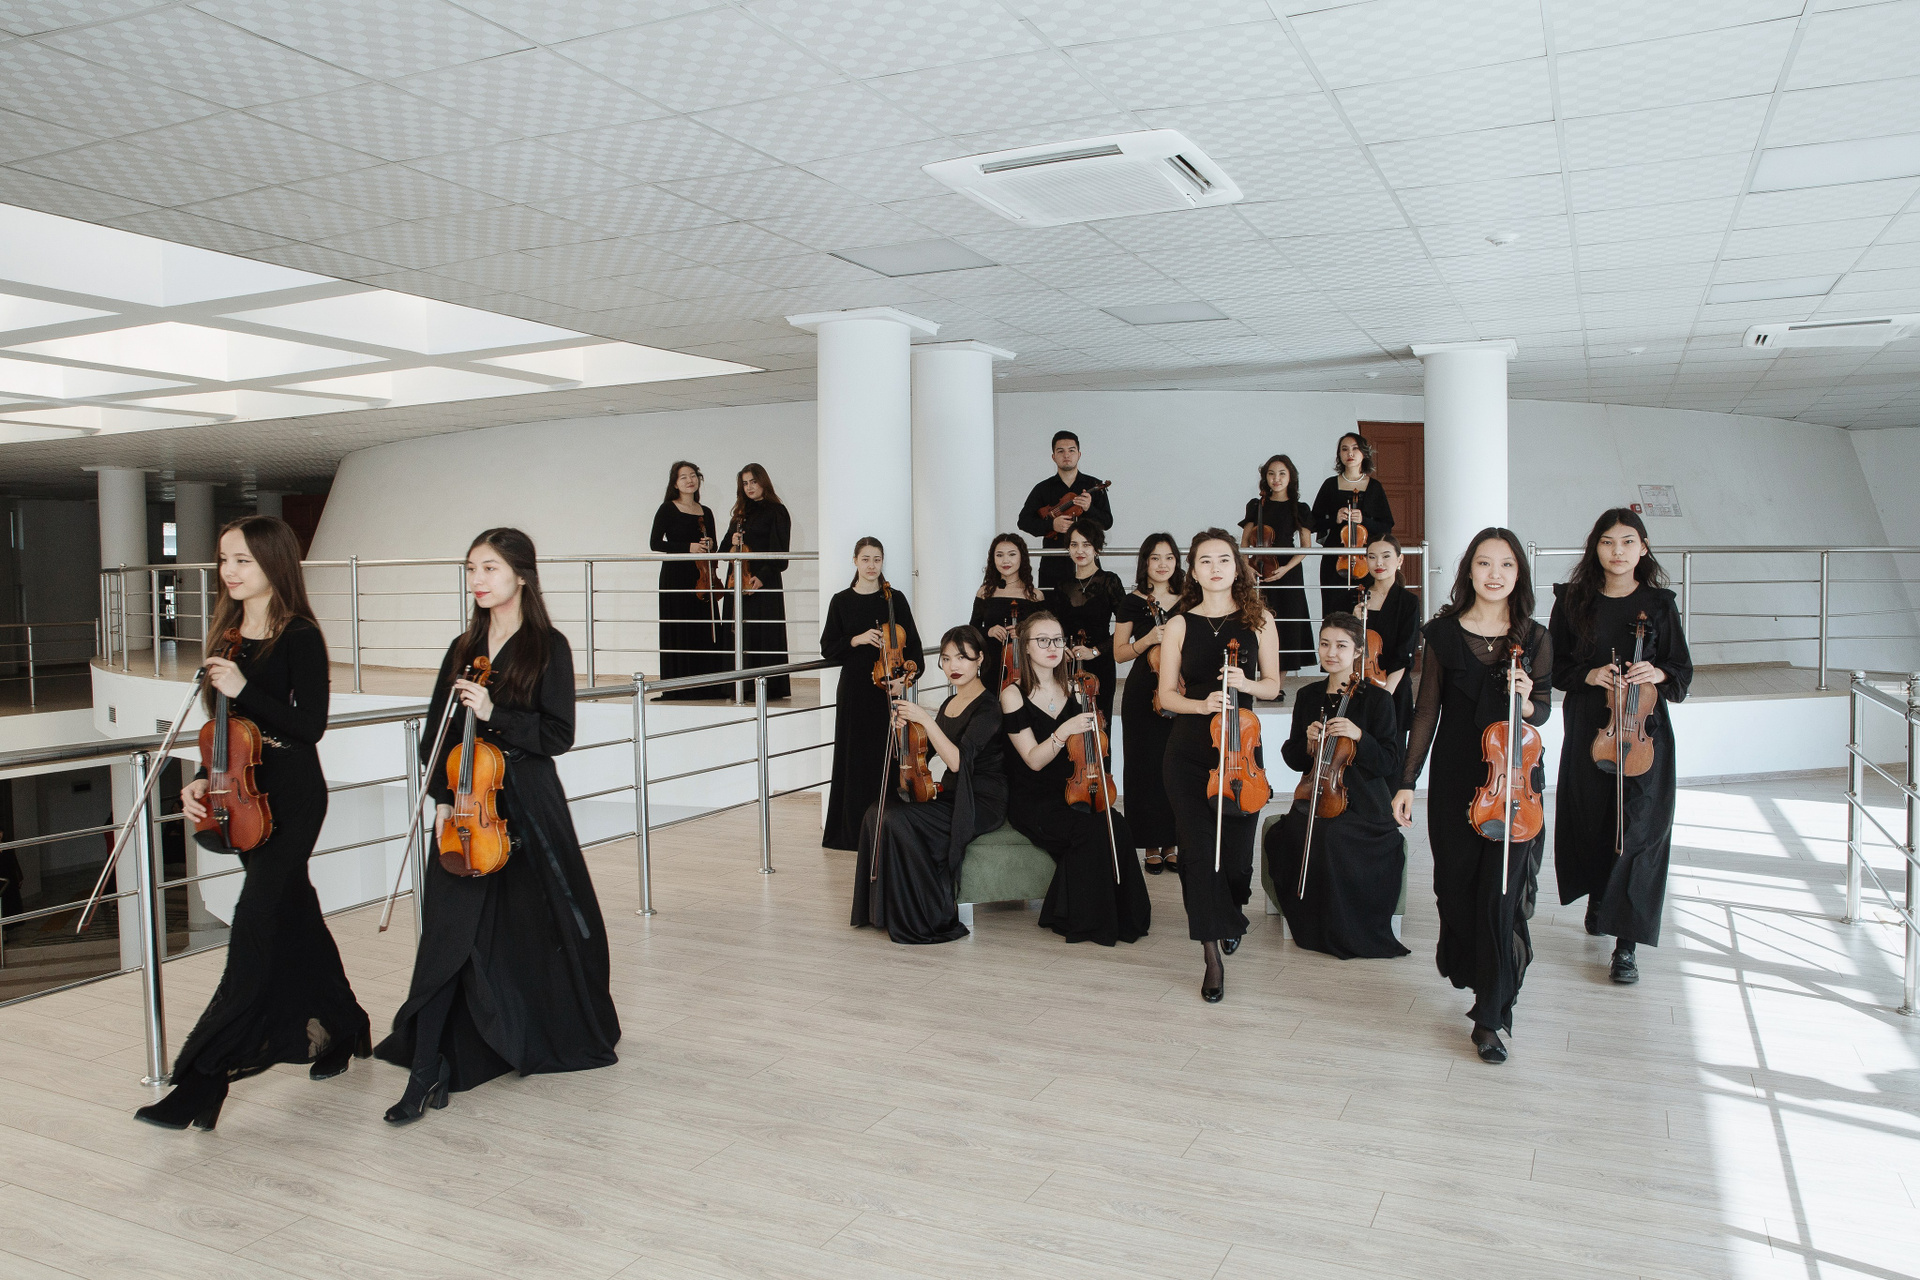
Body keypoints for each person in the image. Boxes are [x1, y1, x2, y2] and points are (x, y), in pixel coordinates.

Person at [375, 528, 620, 1122]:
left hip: (526, 806)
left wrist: (495, 713)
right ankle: (426, 1069)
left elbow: (557, 735)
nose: (478, 580)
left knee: (530, 930)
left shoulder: (548, 647)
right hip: (466, 809)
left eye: (489, 568)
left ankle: (517, 1031)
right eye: (471, 569)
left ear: (521, 575)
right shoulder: (463, 648)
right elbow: (435, 735)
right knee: (446, 935)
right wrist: (441, 798)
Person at [135, 516, 369, 1131]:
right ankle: (345, 1025)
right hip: (239, 799)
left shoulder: (300, 636)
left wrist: (243, 687)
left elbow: (309, 727)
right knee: (296, 917)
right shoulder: (228, 634)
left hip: (291, 800)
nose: (229, 571)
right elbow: (224, 728)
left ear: (273, 562)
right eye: (224, 559)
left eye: (242, 559)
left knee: (255, 926)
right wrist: (200, 778)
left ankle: (203, 1079)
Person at [1393, 529, 1551, 1065]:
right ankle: (1478, 979)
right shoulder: (1442, 634)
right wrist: (1407, 780)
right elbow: (1426, 712)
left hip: (1513, 784)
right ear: (1469, 572)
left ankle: (1490, 1015)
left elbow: (1542, 710)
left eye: (1506, 565)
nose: (1494, 574)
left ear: (1518, 574)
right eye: (1484, 563)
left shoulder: (1534, 638)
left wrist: (1526, 701)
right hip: (1456, 781)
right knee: (1456, 893)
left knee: (1499, 899)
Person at [1549, 508, 1693, 986]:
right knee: (1593, 823)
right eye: (1608, 542)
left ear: (1643, 548)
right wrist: (1590, 674)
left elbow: (1682, 673)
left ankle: (1626, 945)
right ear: (1596, 547)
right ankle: (1599, 899)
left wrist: (1659, 671)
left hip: (1644, 732)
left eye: (1628, 541)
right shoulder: (1573, 600)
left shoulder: (1659, 604)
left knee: (1640, 831)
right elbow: (1555, 669)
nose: (1618, 551)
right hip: (1591, 727)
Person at [1157, 530, 1282, 1002]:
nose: (1215, 568)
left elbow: (1273, 685)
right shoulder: (1179, 624)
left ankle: (1230, 911)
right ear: (1193, 570)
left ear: (1237, 566)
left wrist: (1245, 684)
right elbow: (1166, 696)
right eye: (1205, 560)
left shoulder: (1259, 620)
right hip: (1189, 751)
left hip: (1240, 750)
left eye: (1224, 559)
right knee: (1195, 853)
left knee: (1234, 857)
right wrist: (1200, 704)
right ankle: (1211, 957)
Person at [1266, 614, 1409, 961]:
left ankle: (1345, 929)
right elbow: (1294, 759)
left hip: (1365, 803)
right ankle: (1311, 923)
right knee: (1288, 835)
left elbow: (1389, 761)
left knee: (1333, 837)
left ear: (1358, 651)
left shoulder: (1378, 700)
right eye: (1325, 644)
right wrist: (1307, 742)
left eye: (1341, 645)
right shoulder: (1308, 696)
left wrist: (1360, 736)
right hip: (1317, 795)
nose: (1331, 653)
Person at [1001, 611, 1149, 946]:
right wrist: (1063, 730)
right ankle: (1082, 918)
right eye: (1042, 641)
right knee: (1089, 830)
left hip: (1077, 788)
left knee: (1117, 825)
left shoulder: (1076, 689)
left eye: (1057, 640)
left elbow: (1091, 749)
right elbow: (1033, 760)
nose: (1053, 647)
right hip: (1035, 798)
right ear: (1026, 647)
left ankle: (1124, 917)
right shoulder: (1013, 694)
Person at [852, 627, 1007, 944]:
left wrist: (925, 719)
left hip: (980, 801)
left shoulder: (989, 707)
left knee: (898, 820)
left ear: (980, 659)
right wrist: (902, 730)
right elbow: (924, 752)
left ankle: (924, 914)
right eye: (946, 658)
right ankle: (881, 912)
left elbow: (958, 762)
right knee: (876, 812)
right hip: (952, 794)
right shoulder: (951, 701)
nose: (953, 666)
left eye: (962, 657)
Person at [820, 538, 922, 851]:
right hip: (854, 691)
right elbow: (828, 647)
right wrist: (857, 639)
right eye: (865, 559)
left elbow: (914, 649)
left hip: (887, 691)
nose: (871, 565)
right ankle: (852, 834)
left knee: (886, 759)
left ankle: (886, 833)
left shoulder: (895, 599)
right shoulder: (841, 601)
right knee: (853, 759)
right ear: (855, 561)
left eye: (877, 559)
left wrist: (904, 681)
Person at [1113, 533, 1185, 874]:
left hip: (1182, 690)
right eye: (1155, 558)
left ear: (1177, 562)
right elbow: (1119, 653)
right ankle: (1151, 845)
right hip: (1144, 691)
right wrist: (1147, 640)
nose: (1162, 564)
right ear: (1145, 562)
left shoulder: (1190, 599)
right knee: (1143, 767)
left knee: (1176, 766)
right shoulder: (1131, 602)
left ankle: (1173, 842)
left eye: (1169, 557)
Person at [650, 460, 725, 701]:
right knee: (679, 629)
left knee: (703, 629)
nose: (690, 480)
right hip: (676, 577)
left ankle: (708, 686)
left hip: (702, 577)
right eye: (683, 477)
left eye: (693, 476)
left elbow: (713, 543)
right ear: (675, 483)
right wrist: (687, 547)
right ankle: (679, 687)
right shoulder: (667, 509)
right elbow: (655, 543)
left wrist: (709, 544)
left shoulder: (706, 512)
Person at [722, 462, 793, 701]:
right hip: (737, 583)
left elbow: (780, 553)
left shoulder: (777, 511)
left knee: (763, 634)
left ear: (763, 482)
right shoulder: (740, 514)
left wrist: (761, 577)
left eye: (753, 481)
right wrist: (732, 541)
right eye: (745, 483)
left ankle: (766, 687)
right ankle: (738, 686)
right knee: (739, 633)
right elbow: (723, 552)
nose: (749, 487)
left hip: (763, 583)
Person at [1241, 453, 1313, 677]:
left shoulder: (1300, 508)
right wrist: (1248, 568)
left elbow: (1306, 547)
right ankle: (1261, 680)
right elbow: (1244, 543)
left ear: (1291, 477)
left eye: (1282, 473)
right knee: (1258, 622)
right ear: (1265, 478)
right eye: (1271, 474)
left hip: (1288, 573)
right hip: (1259, 571)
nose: (1276, 479)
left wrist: (1286, 569)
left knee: (1287, 627)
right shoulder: (1256, 505)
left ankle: (1277, 685)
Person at [1046, 521, 1126, 722]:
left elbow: (1127, 626)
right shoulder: (1062, 585)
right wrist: (1061, 647)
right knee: (1067, 720)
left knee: (1100, 723)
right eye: (1074, 544)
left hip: (1101, 664)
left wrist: (1096, 651)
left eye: (1086, 544)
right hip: (1067, 664)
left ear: (1096, 548)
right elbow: (1053, 625)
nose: (1079, 550)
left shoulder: (1109, 581)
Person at [1310, 432, 1395, 616]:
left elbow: (1386, 526)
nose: (1350, 453)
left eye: (1355, 448)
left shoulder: (1374, 487)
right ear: (1339, 455)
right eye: (1344, 449)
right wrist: (1335, 518)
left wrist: (1364, 520)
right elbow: (1313, 523)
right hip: (1335, 560)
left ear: (1363, 453)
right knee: (1333, 609)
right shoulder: (1330, 485)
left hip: (1366, 560)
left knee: (1365, 610)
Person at [1018, 430, 1113, 591]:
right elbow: (1024, 521)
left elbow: (1107, 522)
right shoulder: (1042, 488)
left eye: (1071, 450)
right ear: (1053, 456)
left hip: (1088, 563)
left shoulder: (1094, 485)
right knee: (1051, 605)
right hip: (1053, 563)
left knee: (1091, 604)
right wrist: (1051, 525)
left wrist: (1089, 508)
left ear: (1079, 454)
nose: (1066, 455)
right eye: (1060, 451)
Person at [1358, 536, 1421, 753]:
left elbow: (1405, 653)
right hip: (1358, 687)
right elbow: (1341, 644)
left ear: (1399, 560)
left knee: (1392, 759)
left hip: (1394, 690)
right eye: (1372, 557)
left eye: (1386, 556)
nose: (1379, 563)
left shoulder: (1408, 602)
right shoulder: (1355, 597)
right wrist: (1354, 621)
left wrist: (1384, 697)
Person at [969, 533, 1043, 691]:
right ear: (993, 559)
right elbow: (972, 630)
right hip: (991, 664)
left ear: (1022, 557)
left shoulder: (1035, 595)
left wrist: (1025, 632)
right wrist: (989, 631)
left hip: (1025, 665)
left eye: (1012, 554)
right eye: (999, 555)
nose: (1005, 561)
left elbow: (1045, 633)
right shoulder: (984, 593)